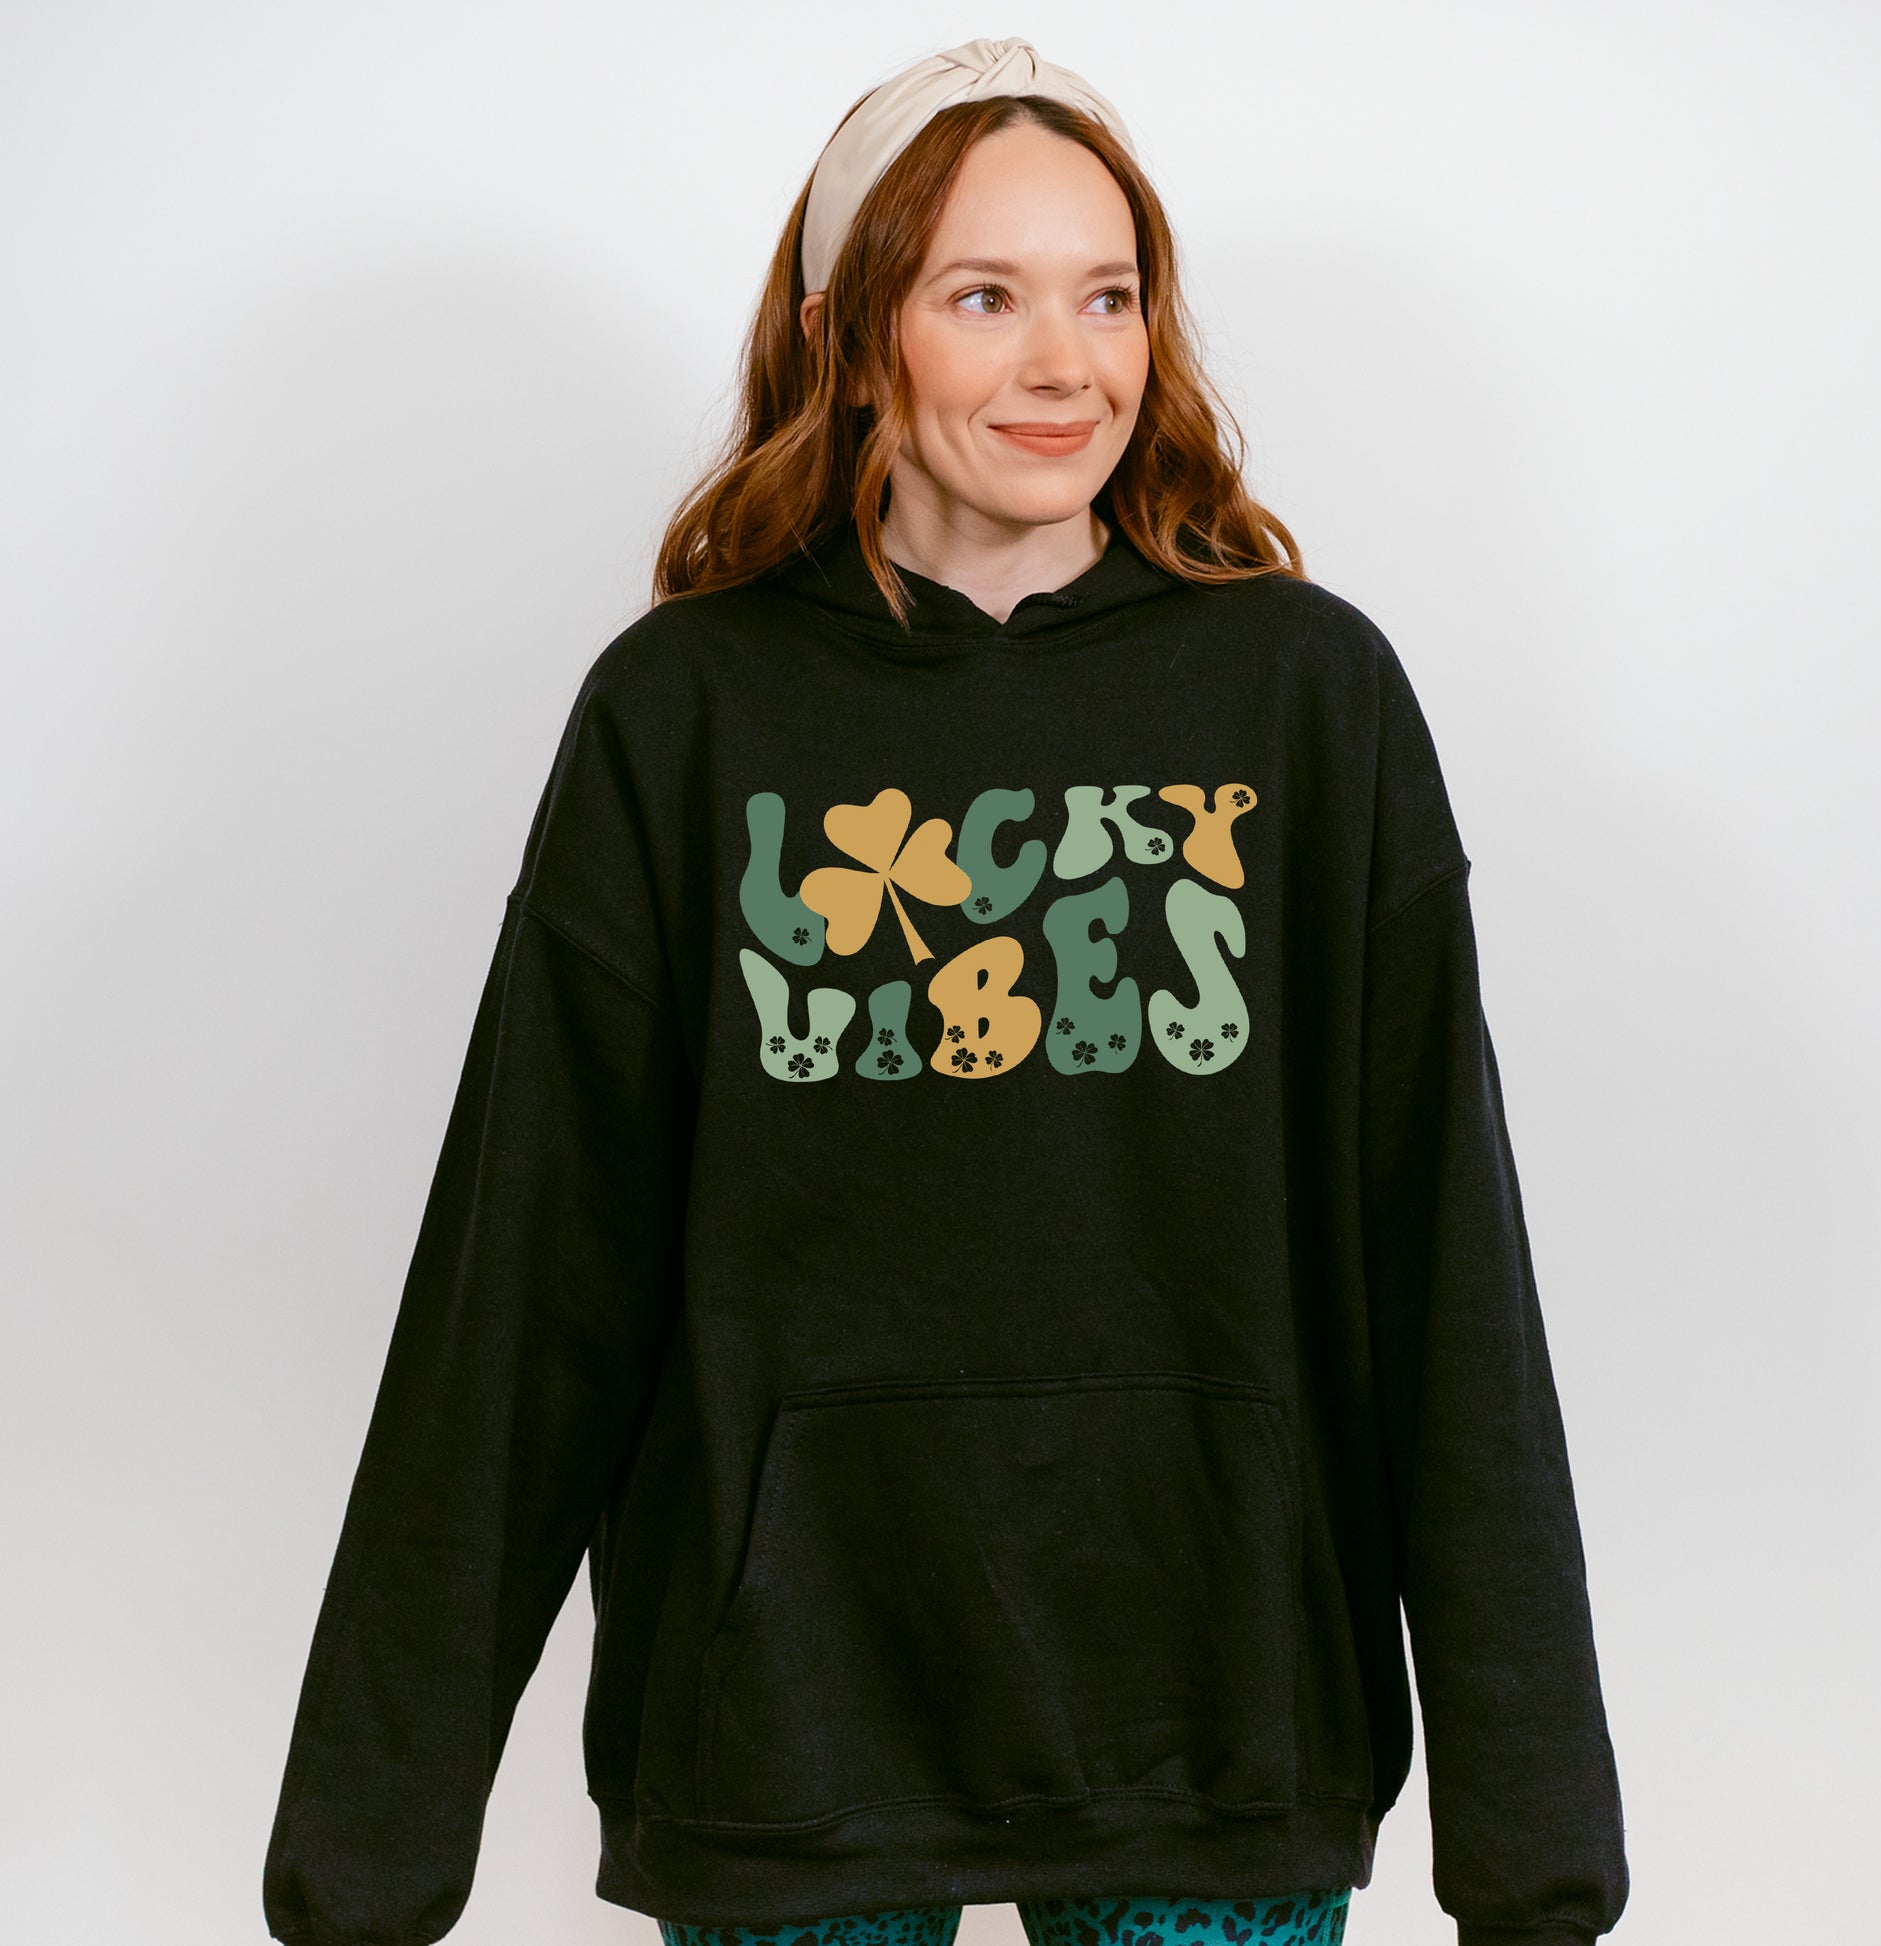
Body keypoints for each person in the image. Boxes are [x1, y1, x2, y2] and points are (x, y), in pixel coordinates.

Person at [262, 36, 1627, 1946]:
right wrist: (369, 1848)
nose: (1066, 364)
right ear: (848, 334)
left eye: (1108, 296)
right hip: (784, 1716)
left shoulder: (1305, 702)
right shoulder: (686, 715)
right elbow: (527, 1279)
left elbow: (1442, 1253)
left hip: (1214, 1707)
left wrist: (1534, 1825)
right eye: (984, 297)